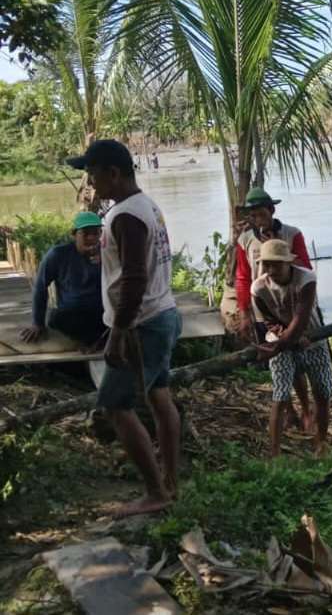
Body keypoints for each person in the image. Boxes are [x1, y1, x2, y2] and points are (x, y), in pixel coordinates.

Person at [67, 139, 182, 517]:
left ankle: (155, 491)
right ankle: (170, 480)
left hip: (141, 322)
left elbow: (134, 277)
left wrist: (117, 332)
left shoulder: (124, 216)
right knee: (158, 395)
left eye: (93, 173)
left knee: (115, 405)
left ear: (113, 173)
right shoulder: (146, 206)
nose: (90, 182)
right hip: (162, 311)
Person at [235, 186, 316, 430]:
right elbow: (243, 276)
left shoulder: (292, 234)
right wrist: (244, 312)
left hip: (292, 306)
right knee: (278, 361)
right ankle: (289, 410)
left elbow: (304, 267)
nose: (257, 219)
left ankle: (305, 407)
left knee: (297, 358)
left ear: (271, 210)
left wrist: (278, 248)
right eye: (252, 215)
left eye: (260, 213)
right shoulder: (245, 240)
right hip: (263, 307)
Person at [252, 240, 332, 458]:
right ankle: (275, 453)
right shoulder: (259, 288)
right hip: (280, 344)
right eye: (267, 265)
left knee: (323, 393)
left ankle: (321, 443)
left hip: (312, 339)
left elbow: (301, 317)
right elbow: (268, 320)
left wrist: (284, 342)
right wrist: (281, 339)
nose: (271, 270)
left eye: (276, 265)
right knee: (280, 396)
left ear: (289, 263)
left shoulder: (306, 279)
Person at [19, 211, 106, 347]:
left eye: (96, 233)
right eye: (85, 233)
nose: (91, 238)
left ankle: (95, 341)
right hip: (71, 314)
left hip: (100, 312)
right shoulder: (58, 254)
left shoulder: (107, 253)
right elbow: (40, 287)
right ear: (74, 234)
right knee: (56, 318)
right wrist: (37, 323)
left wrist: (103, 261)